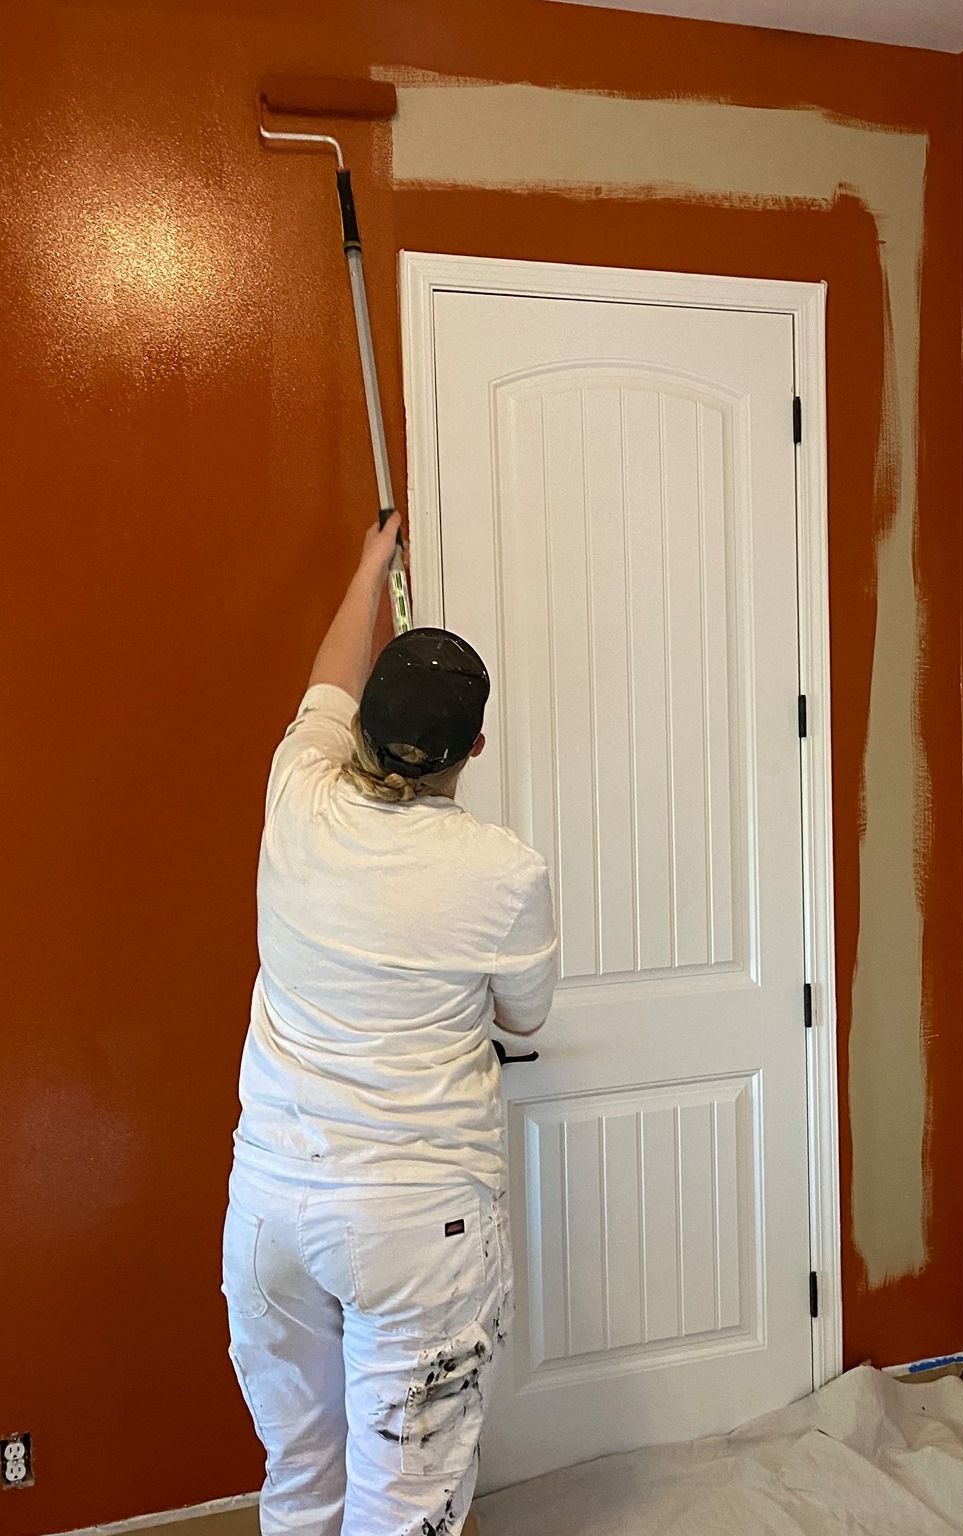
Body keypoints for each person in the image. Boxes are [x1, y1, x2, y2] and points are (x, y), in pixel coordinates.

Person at [222, 513, 557, 1536]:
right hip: (415, 1229)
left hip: (274, 1213)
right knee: (401, 1507)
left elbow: (320, 687)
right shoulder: (502, 873)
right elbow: (527, 1017)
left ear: (358, 722)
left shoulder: (298, 795)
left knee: (303, 1474)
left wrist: (371, 562)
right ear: (477, 748)